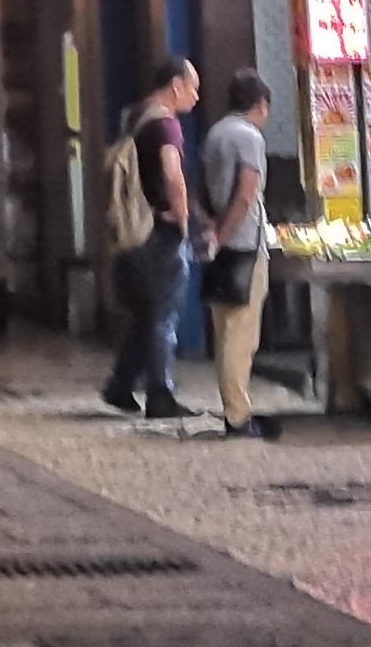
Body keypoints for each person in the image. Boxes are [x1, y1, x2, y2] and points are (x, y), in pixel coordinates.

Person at [100, 57, 200, 421]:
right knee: (162, 315)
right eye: (193, 88)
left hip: (132, 230)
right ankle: (160, 394)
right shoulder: (166, 124)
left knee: (146, 314)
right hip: (158, 232)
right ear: (176, 85)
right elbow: (172, 174)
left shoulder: (134, 116)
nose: (196, 96)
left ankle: (120, 385)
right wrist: (183, 219)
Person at [199, 70, 274, 437]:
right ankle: (238, 415)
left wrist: (212, 233)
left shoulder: (215, 134)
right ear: (260, 104)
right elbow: (246, 195)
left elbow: (202, 189)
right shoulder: (249, 137)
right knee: (242, 336)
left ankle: (233, 407)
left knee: (225, 330)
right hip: (244, 244)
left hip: (221, 244)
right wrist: (224, 235)